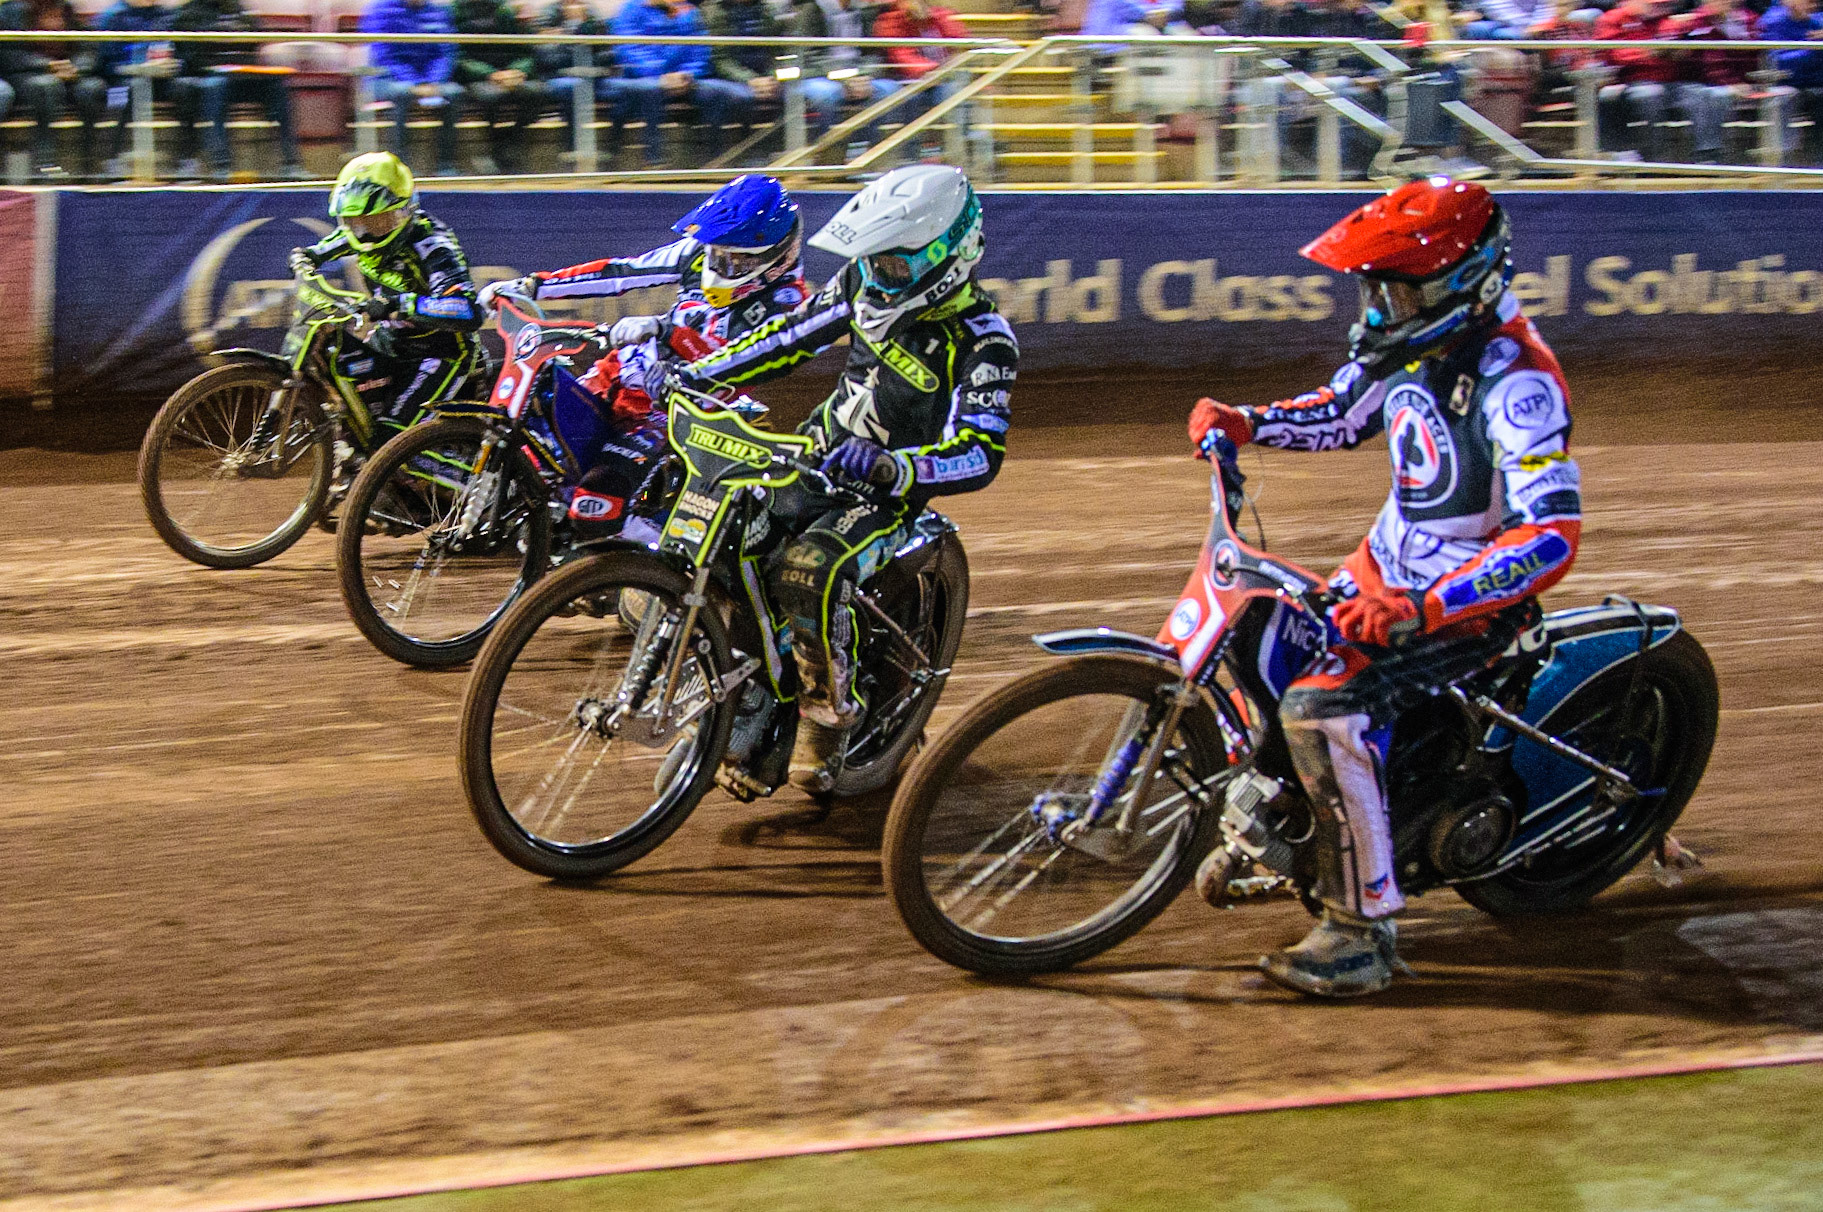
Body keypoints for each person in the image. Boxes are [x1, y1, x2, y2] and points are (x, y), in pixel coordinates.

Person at [1187, 179, 1581, 997]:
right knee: (1257, 638)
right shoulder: (1409, 348)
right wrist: (1245, 422)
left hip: (1461, 609)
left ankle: (1358, 932)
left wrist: (1424, 606)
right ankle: (1298, 819)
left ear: (1457, 286)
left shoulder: (1518, 381)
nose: (1377, 308)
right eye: (1373, 289)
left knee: (1320, 707)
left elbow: (1549, 534)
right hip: (1381, 577)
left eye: (1394, 292)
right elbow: (1338, 413)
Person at [679, 165, 1017, 793]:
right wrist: (701, 372)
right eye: (873, 260)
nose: (879, 275)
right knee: (727, 529)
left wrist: (897, 467)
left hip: (888, 497)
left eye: (893, 264)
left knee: (808, 569)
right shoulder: (861, 280)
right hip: (817, 452)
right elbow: (788, 337)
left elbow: (980, 452)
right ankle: (750, 685)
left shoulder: (983, 339)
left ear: (947, 255)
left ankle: (828, 713)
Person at [479, 175, 810, 538]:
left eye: (737, 260)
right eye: (718, 253)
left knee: (594, 507)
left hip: (680, 411)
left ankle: (666, 555)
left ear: (776, 258)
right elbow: (623, 273)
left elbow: (730, 362)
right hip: (618, 377)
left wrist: (664, 330)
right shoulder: (697, 254)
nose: (721, 264)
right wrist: (533, 286)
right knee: (535, 452)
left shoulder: (787, 304)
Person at [290, 152, 483, 430]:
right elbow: (316, 251)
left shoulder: (434, 246)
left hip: (441, 351)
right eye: (355, 220)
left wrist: (398, 304)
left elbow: (467, 310)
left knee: (389, 436)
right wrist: (303, 258)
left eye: (377, 220)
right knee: (355, 416)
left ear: (403, 212)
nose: (365, 232)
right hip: (390, 341)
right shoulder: (357, 234)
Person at [171, 0, 304, 181]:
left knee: (276, 84)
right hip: (209, 75)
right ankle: (222, 165)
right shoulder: (188, 13)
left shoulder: (238, 10)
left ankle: (292, 164)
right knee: (215, 86)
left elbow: (254, 41)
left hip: (243, 76)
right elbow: (192, 57)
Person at [607, 0, 747, 164]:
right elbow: (629, 51)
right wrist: (661, 76)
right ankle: (653, 159)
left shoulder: (688, 11)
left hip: (684, 79)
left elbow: (700, 48)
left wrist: (687, 74)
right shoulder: (631, 9)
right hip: (642, 78)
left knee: (715, 91)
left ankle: (716, 158)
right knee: (650, 90)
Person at [0, 0, 105, 179]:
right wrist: (48, 65)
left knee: (92, 88)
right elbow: (9, 55)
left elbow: (88, 47)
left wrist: (76, 68)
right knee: (46, 86)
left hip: (68, 75)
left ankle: (90, 162)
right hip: (26, 75)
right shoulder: (11, 11)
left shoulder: (66, 8)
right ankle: (44, 162)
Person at [360, 0, 463, 176]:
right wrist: (415, 83)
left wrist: (432, 82)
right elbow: (385, 56)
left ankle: (446, 165)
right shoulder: (381, 10)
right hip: (386, 78)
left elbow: (445, 53)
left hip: (431, 81)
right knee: (402, 94)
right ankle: (401, 167)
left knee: (454, 93)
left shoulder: (438, 12)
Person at [452, 0, 547, 174]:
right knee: (492, 97)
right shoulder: (457, 10)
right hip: (479, 77)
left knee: (537, 92)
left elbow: (527, 52)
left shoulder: (507, 11)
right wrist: (490, 74)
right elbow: (458, 56)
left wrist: (517, 71)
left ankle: (510, 141)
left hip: (512, 75)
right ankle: (496, 148)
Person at [793, 0, 900, 142]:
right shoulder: (812, 9)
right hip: (820, 75)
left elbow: (872, 53)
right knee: (826, 94)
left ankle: (875, 148)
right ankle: (827, 149)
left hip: (856, 75)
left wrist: (865, 76)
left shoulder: (862, 10)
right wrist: (844, 78)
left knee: (891, 89)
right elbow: (808, 56)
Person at [1593, 0, 1677, 160]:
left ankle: (1654, 158)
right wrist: (1646, 53)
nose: (1654, 5)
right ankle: (1618, 154)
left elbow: (1673, 41)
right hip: (1625, 79)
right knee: (1610, 95)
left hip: (1666, 81)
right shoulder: (1612, 19)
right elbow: (1611, 54)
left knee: (1653, 93)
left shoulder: (1662, 19)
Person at [533, 0, 614, 160]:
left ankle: (612, 149)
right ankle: (574, 146)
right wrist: (568, 36)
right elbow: (546, 58)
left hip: (592, 77)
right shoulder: (549, 16)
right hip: (557, 76)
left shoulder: (592, 18)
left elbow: (607, 53)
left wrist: (583, 31)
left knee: (630, 89)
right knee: (574, 87)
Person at [701, 0, 777, 147]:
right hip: (730, 78)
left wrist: (772, 77)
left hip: (765, 78)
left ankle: (777, 148)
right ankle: (744, 150)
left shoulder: (767, 10)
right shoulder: (715, 11)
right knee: (743, 97)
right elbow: (720, 60)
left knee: (793, 94)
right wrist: (751, 79)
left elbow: (776, 51)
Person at [1761, 0, 1823, 163]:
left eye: (1813, 2)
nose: (1811, 6)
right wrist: (1812, 47)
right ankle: (1783, 158)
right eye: (1807, 2)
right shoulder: (1773, 22)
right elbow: (1779, 61)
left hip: (1815, 81)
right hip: (1785, 82)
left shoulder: (1818, 21)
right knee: (1782, 99)